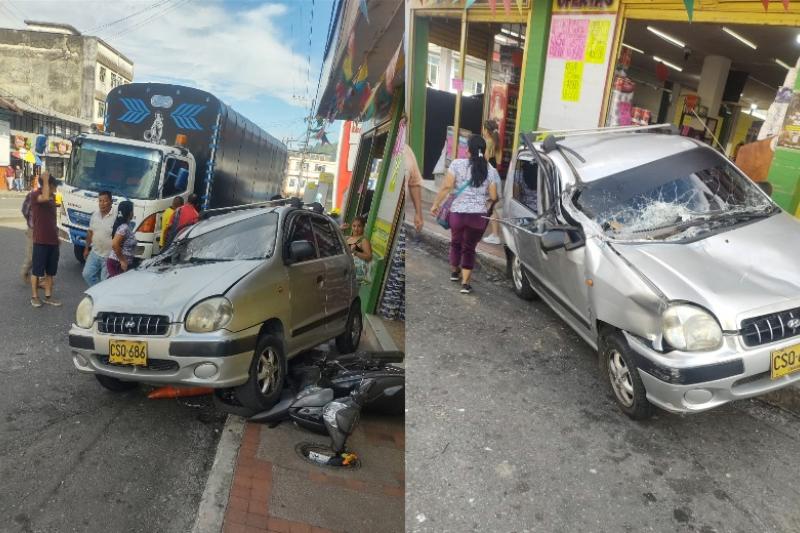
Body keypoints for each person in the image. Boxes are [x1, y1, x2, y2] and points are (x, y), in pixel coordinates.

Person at [431, 134, 499, 294]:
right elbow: (494, 196)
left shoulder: (457, 164)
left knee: (456, 242)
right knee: (469, 247)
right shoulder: (490, 170)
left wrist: (436, 204)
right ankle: (465, 284)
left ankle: (455, 272)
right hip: (478, 217)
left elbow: (447, 186)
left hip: (458, 214)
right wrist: (483, 201)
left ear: (468, 150)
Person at [29, 172, 61, 307]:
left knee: (50, 272)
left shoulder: (53, 198)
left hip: (53, 241)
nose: (55, 189)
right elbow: (45, 197)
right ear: (49, 185)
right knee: (37, 271)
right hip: (40, 241)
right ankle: (34, 296)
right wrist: (46, 179)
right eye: (54, 186)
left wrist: (57, 236)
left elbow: (52, 219)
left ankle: (48, 296)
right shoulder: (35, 195)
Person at [82, 191, 115, 286]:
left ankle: (102, 296)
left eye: (105, 201)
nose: (102, 203)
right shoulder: (95, 215)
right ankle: (98, 293)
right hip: (95, 252)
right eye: (100, 201)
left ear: (111, 202)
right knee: (87, 274)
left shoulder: (116, 216)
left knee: (104, 281)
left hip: (109, 256)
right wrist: (86, 249)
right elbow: (90, 232)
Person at [106, 201, 136, 278]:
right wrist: (122, 261)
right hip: (118, 264)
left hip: (120, 263)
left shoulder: (124, 226)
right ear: (129, 213)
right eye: (132, 210)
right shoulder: (124, 227)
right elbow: (115, 244)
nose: (133, 213)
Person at [403, 144, 424, 232]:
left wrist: (418, 213)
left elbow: (414, 183)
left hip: (399, 214)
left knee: (396, 244)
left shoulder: (406, 150)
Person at [346, 216, 372, 285]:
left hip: (356, 275)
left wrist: (356, 252)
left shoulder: (364, 241)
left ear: (363, 227)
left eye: (359, 226)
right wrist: (340, 229)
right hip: (346, 271)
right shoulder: (348, 238)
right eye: (354, 226)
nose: (356, 229)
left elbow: (369, 257)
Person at [20, 188, 35, 283]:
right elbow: (24, 211)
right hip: (33, 230)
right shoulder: (32, 195)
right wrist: (30, 223)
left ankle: (40, 279)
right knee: (31, 256)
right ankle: (24, 273)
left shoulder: (51, 197)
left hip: (44, 232)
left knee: (42, 255)